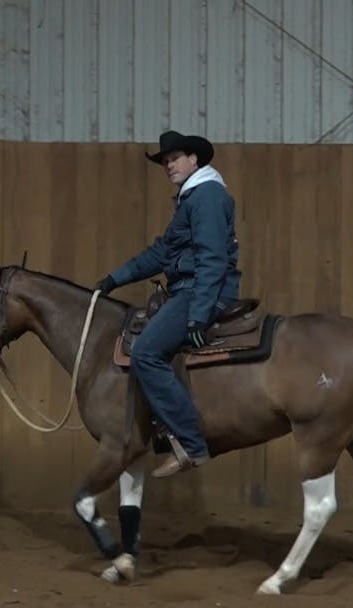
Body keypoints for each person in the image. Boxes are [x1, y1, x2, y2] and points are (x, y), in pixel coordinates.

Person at [94, 130, 241, 478]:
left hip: (200, 292)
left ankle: (191, 443)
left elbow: (212, 259)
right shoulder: (191, 199)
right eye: (164, 161)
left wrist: (198, 317)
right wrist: (116, 278)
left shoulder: (206, 196)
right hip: (190, 289)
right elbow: (162, 252)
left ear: (195, 159)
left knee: (145, 352)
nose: (168, 165)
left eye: (174, 158)